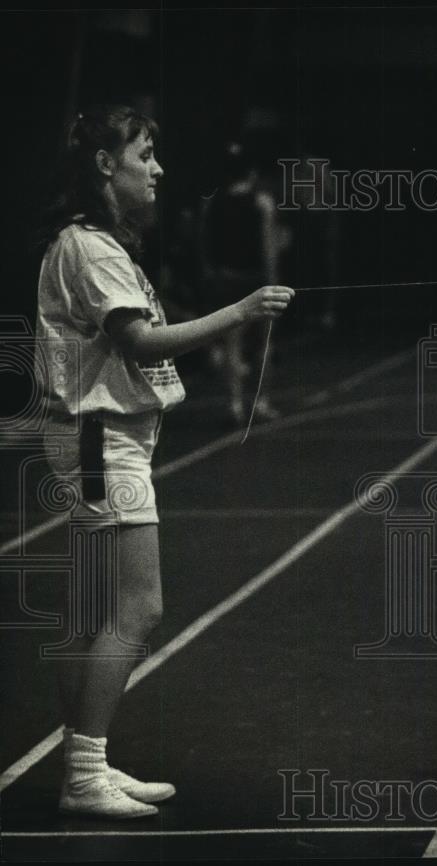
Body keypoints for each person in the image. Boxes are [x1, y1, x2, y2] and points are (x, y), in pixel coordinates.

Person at [34, 105, 294, 818]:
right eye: (144, 155)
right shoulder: (90, 248)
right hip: (101, 441)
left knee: (89, 619)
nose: (157, 169)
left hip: (97, 436)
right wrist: (241, 313)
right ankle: (84, 771)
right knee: (138, 607)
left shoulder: (93, 244)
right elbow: (140, 343)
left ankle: (87, 762)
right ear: (103, 166)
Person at [200, 140, 283, 425]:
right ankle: (261, 402)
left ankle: (234, 405)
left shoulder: (213, 204)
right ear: (252, 173)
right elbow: (268, 247)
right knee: (264, 343)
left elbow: (206, 245)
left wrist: (210, 273)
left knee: (232, 344)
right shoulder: (262, 203)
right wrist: (273, 282)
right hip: (255, 279)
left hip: (225, 278)